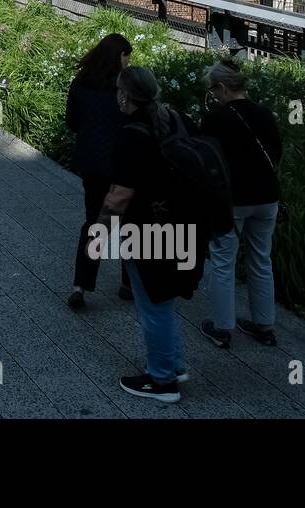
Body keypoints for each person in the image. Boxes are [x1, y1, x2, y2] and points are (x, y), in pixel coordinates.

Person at [101, 67, 206, 403]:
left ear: (125, 95)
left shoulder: (132, 133)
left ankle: (162, 382)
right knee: (164, 302)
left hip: (148, 231)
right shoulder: (175, 118)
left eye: (118, 89)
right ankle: (173, 365)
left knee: (153, 306)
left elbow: (120, 194)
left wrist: (99, 228)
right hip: (183, 224)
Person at [199, 58, 283, 349]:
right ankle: (264, 326)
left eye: (213, 90)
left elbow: (206, 160)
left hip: (232, 200)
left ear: (222, 88)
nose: (213, 95)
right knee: (261, 259)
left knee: (223, 261)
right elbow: (277, 153)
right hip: (267, 196)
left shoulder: (215, 120)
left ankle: (222, 329)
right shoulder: (265, 114)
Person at [64, 33, 133, 311]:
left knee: (94, 222)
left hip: (91, 165)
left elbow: (72, 123)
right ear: (118, 57)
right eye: (127, 56)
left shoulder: (80, 84)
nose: (129, 61)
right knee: (130, 224)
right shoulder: (124, 88)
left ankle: (80, 285)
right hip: (121, 167)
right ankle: (129, 284)